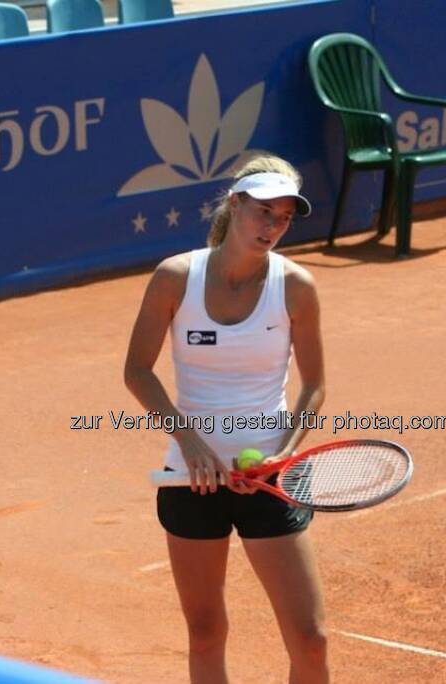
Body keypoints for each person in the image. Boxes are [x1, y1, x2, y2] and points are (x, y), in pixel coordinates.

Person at [124, 154, 329, 684]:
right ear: (235, 204)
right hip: (191, 477)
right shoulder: (175, 278)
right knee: (206, 632)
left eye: (284, 217)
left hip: (269, 478)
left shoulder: (297, 287)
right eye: (264, 211)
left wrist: (284, 451)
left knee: (310, 639)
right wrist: (190, 443)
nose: (273, 227)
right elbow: (138, 372)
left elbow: (313, 386)